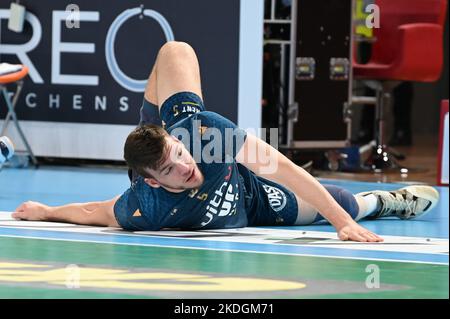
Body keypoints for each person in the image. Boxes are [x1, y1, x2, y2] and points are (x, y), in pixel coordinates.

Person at [12, 42, 439, 242]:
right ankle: (377, 203)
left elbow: (284, 167)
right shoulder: (148, 207)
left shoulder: (200, 137)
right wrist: (48, 211)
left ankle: (378, 205)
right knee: (339, 203)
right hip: (249, 206)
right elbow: (94, 212)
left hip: (225, 168)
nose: (185, 166)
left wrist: (344, 226)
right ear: (156, 183)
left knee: (175, 51)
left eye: (179, 156)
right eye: (171, 170)